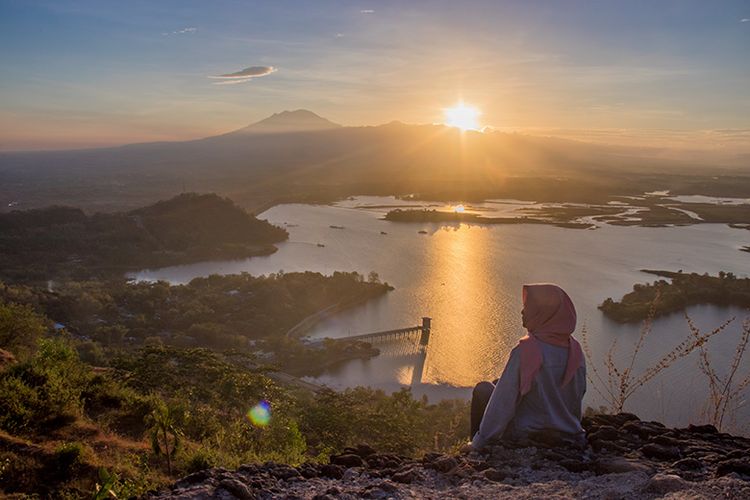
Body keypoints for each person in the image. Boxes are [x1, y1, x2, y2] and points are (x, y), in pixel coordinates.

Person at [469, 283, 586, 450]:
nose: (522, 312)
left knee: (483, 389)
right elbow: (575, 398)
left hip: (528, 435)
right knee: (498, 381)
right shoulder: (576, 351)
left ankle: (476, 451)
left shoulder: (527, 351)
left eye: (528, 307)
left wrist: (480, 441)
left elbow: (502, 403)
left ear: (543, 313)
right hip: (569, 433)